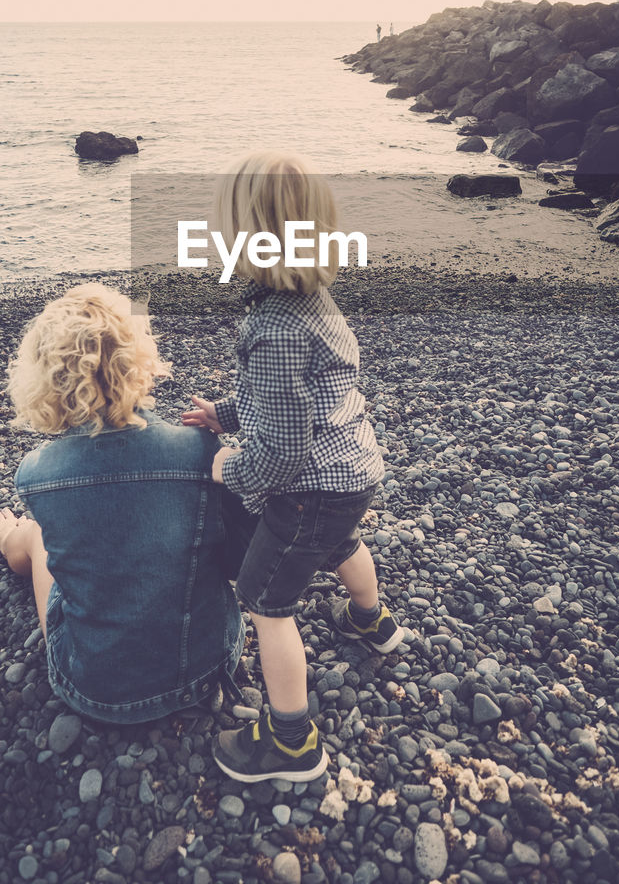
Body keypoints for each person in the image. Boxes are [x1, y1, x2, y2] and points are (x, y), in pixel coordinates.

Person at [182, 152, 401, 782]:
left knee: (267, 603)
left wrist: (233, 471)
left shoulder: (276, 329)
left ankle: (291, 741)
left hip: (307, 487)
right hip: (352, 471)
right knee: (341, 541)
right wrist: (225, 413)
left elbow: (281, 448)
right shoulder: (313, 300)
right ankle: (371, 621)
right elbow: (293, 398)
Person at [0, 283, 244, 724]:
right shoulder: (199, 448)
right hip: (207, 663)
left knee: (37, 538)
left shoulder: (36, 474)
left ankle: (9, 539)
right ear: (139, 362)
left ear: (46, 379)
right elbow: (234, 560)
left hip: (96, 690)